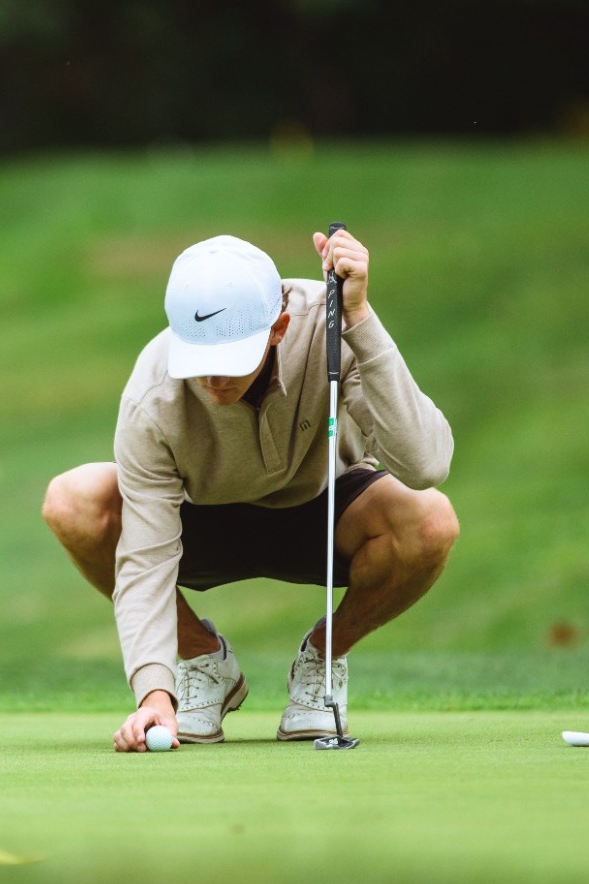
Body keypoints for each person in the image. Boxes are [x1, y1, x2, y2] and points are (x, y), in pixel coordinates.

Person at [41, 230, 458, 752]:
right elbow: (145, 559)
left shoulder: (330, 328)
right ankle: (203, 663)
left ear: (278, 328)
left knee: (431, 520)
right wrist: (153, 693)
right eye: (200, 360)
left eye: (232, 359)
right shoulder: (152, 391)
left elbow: (426, 463)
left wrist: (358, 320)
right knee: (72, 500)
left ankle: (322, 660)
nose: (214, 380)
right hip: (202, 520)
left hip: (324, 509)